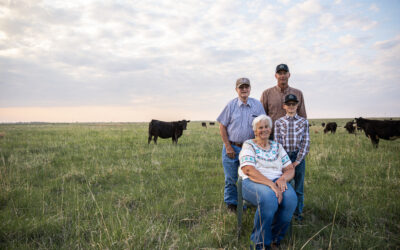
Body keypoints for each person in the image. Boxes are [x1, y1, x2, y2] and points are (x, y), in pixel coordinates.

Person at [239, 114, 297, 249]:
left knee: (291, 200)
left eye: (266, 127)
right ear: (255, 131)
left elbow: (290, 169)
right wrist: (271, 184)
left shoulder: (277, 146)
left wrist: (282, 178)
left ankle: (275, 238)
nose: (264, 130)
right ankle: (259, 243)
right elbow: (248, 170)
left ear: (270, 130)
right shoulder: (249, 145)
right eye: (260, 128)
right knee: (269, 198)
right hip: (253, 181)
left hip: (277, 180)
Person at [217, 77, 266, 213]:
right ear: (236, 90)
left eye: (246, 87)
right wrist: (228, 146)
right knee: (231, 178)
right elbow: (222, 126)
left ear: (250, 89)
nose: (244, 90)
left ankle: (247, 201)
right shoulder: (230, 105)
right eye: (241, 87)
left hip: (250, 148)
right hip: (232, 146)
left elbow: (263, 125)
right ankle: (232, 205)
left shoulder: (257, 105)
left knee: (249, 177)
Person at [274, 94, 310, 221]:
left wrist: (297, 161)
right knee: (283, 184)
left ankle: (297, 214)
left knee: (299, 188)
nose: (291, 107)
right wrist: (285, 161)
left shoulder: (303, 122)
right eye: (288, 104)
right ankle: (282, 212)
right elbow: (277, 143)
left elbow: (305, 142)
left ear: (297, 105)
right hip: (284, 157)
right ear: (284, 106)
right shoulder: (279, 122)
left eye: (293, 104)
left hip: (298, 157)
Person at [260, 64, 307, 138]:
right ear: (276, 76)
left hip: (293, 135)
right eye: (280, 73)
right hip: (272, 135)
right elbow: (262, 116)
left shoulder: (298, 93)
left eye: (285, 73)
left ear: (289, 75)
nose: (282, 76)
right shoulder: (267, 93)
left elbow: (303, 116)